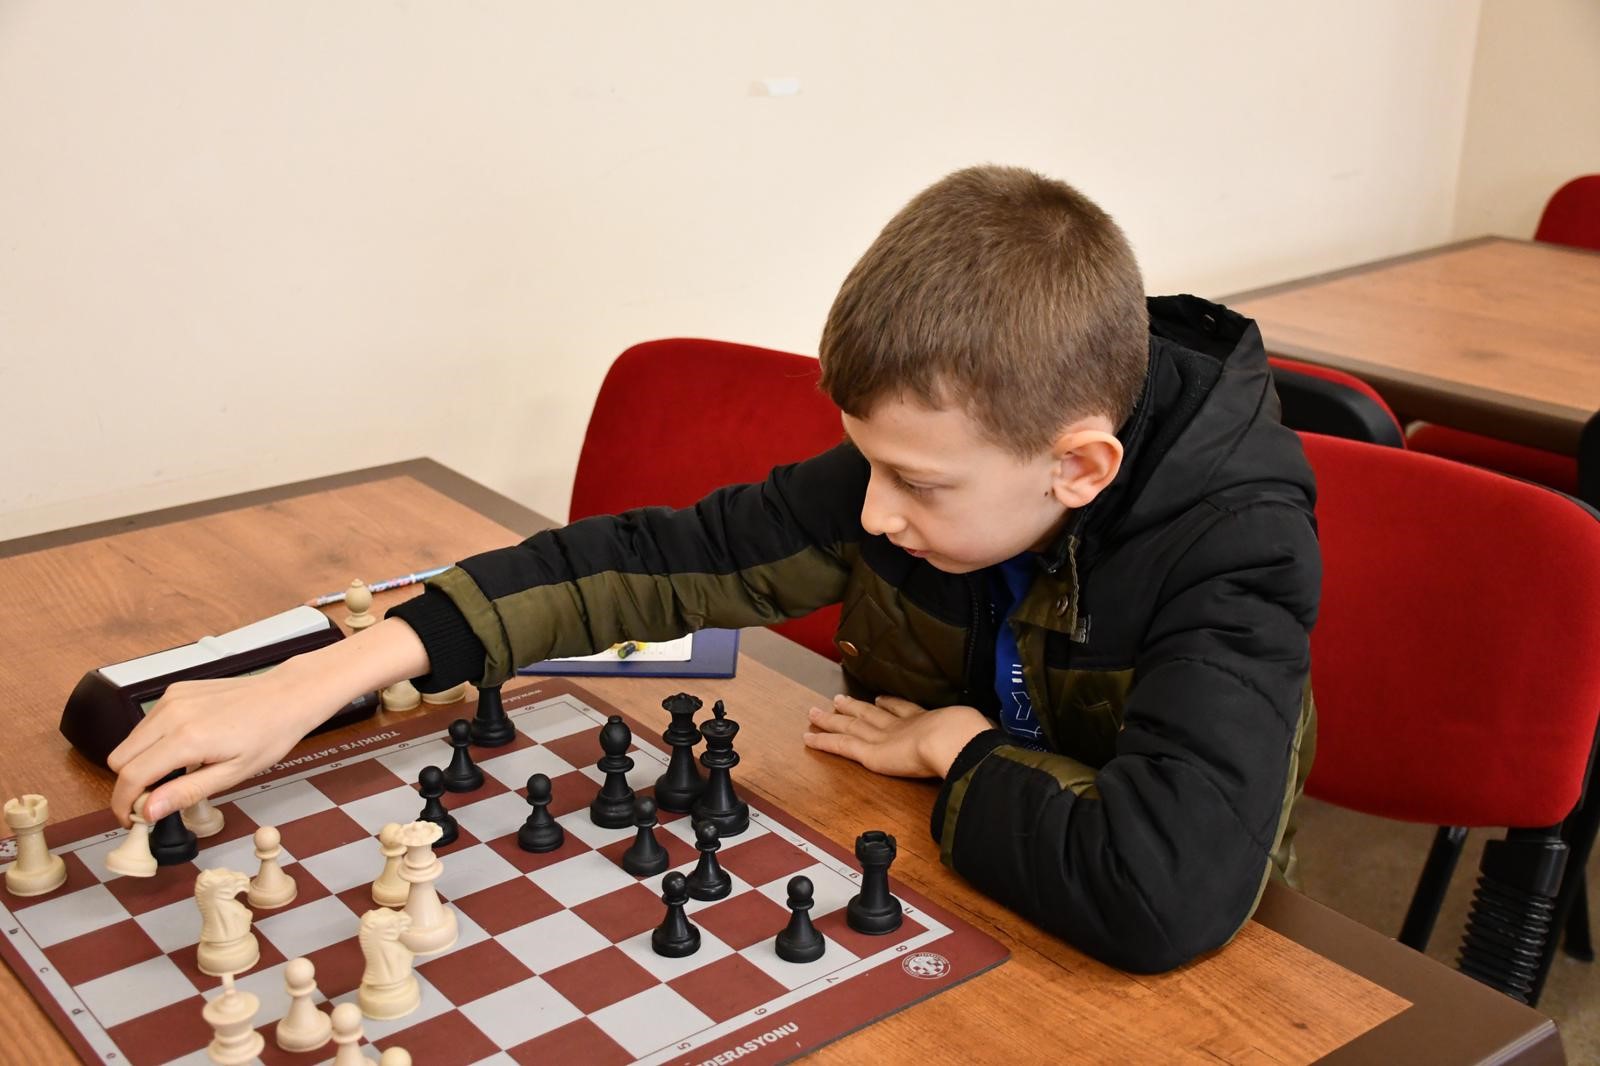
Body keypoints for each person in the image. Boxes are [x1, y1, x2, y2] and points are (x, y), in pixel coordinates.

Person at [108, 165, 1318, 973]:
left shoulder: (1235, 548)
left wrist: (956, 747)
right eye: (866, 463)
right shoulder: (946, 468)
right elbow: (651, 561)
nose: (873, 512)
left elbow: (1161, 892)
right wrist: (322, 678)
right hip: (949, 895)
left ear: (1078, 466)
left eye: (917, 483)